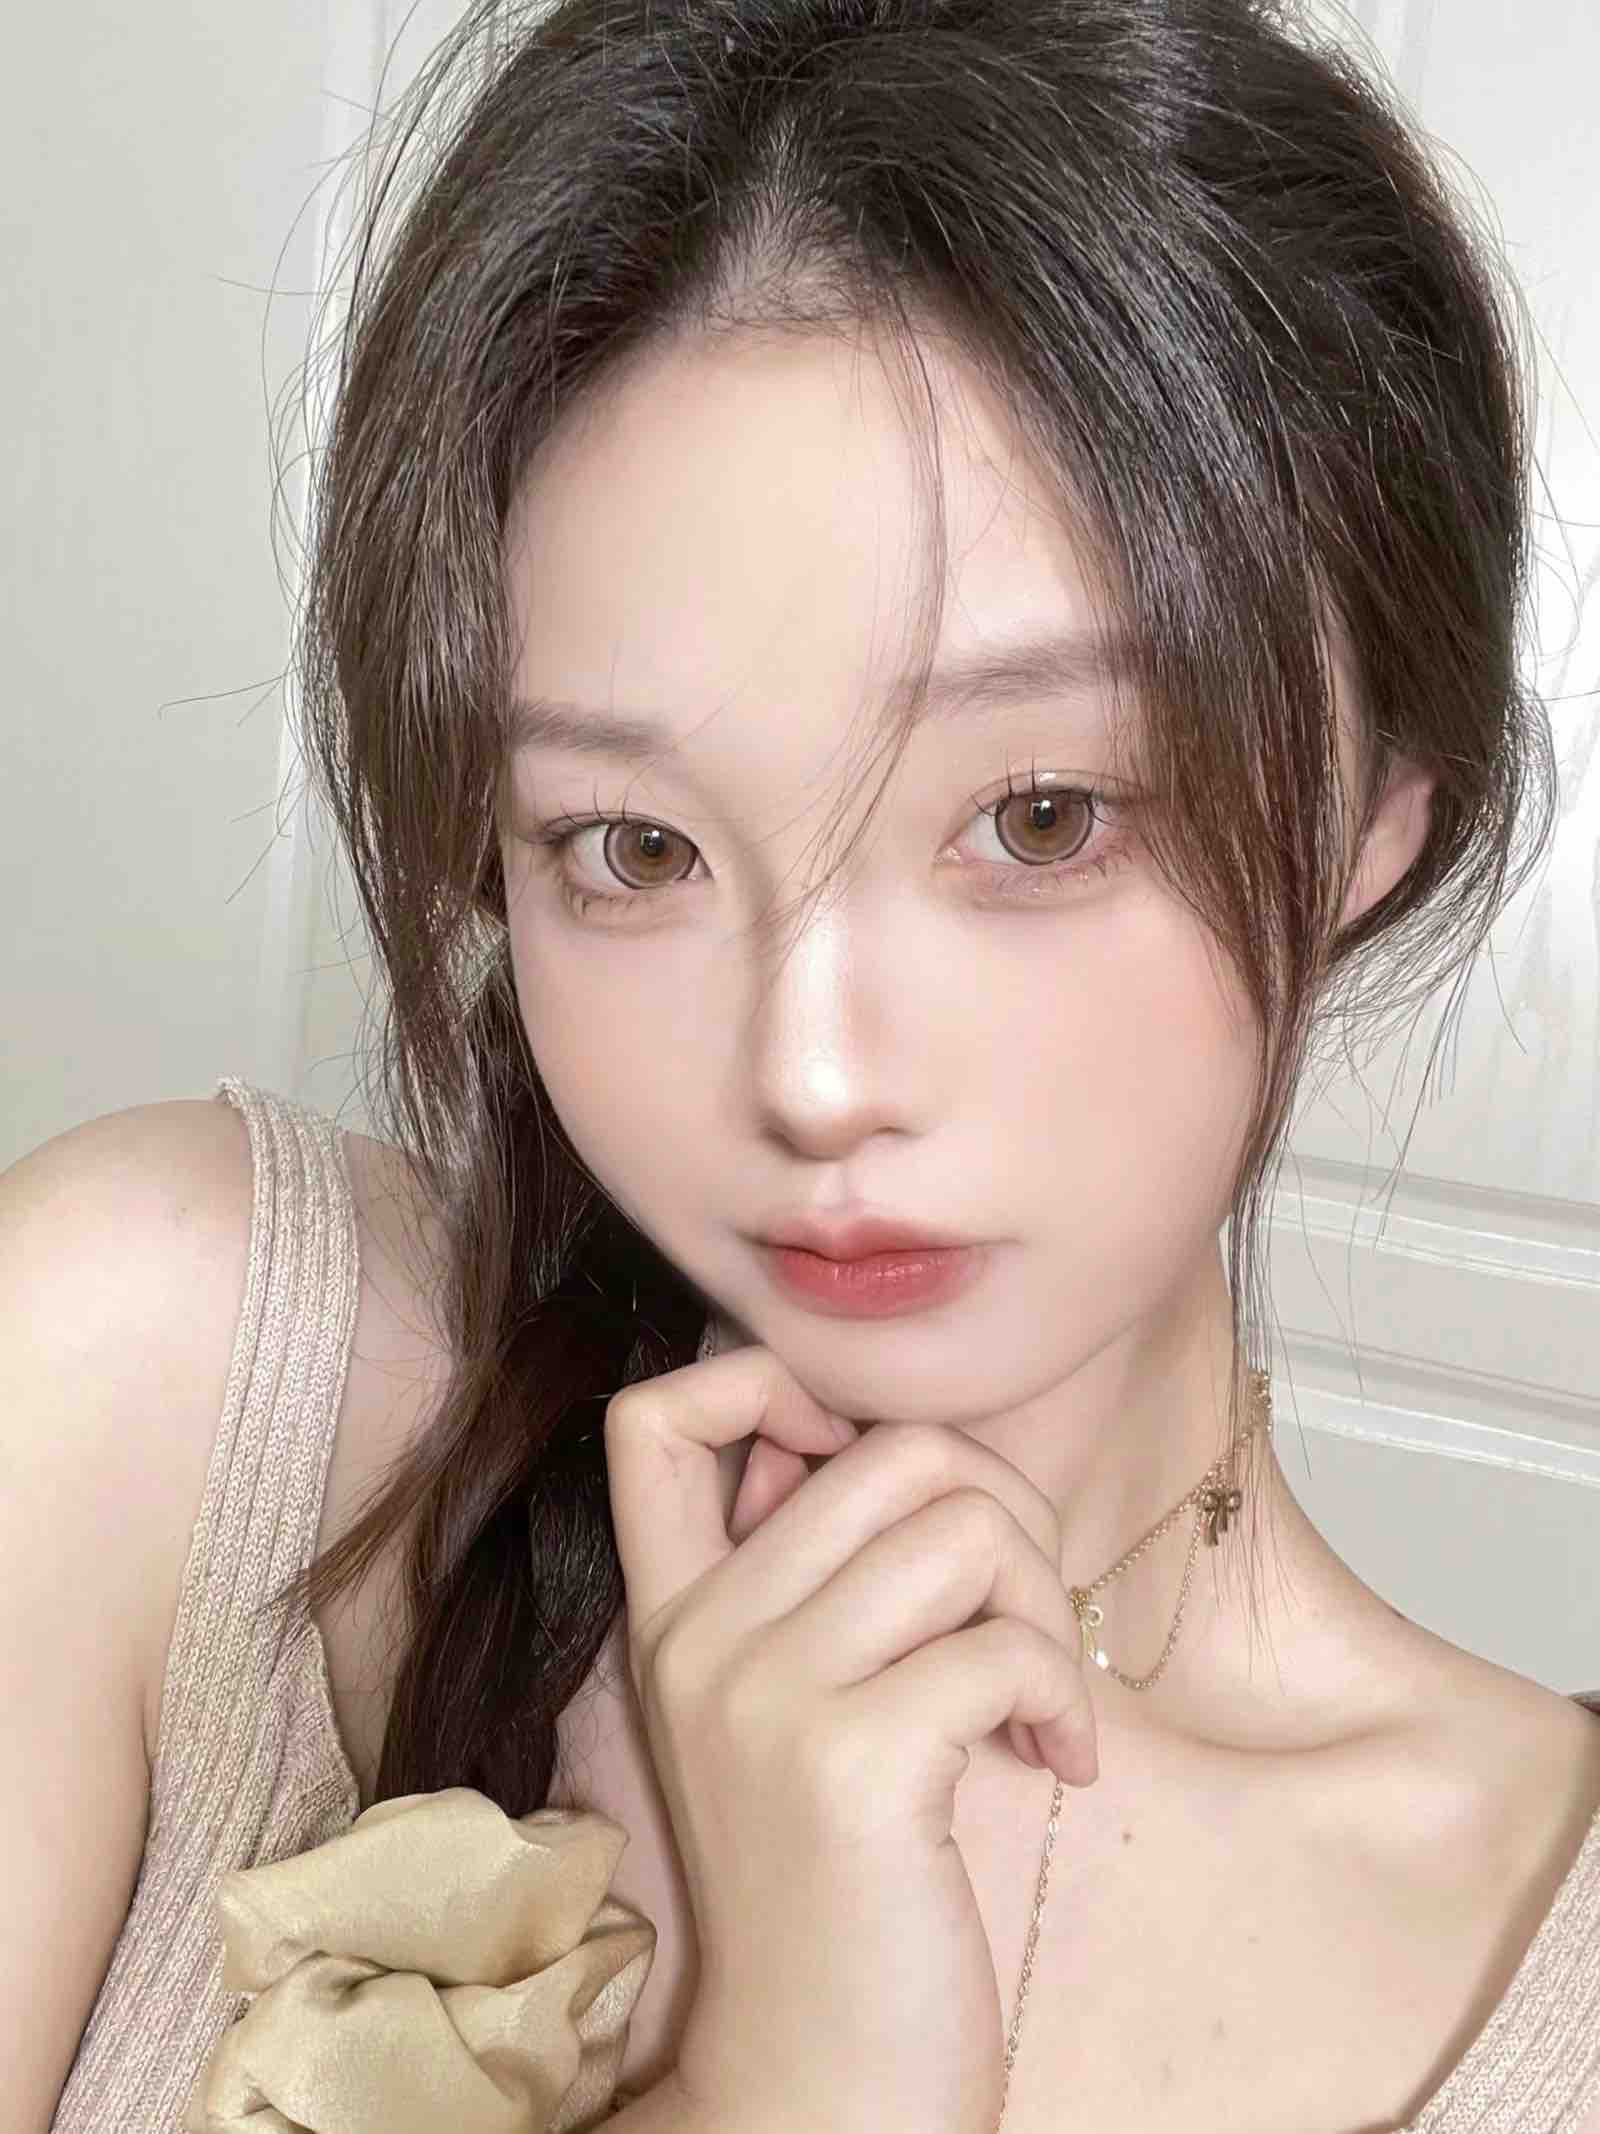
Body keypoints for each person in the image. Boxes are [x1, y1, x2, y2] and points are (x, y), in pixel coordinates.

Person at [6, 0, 1596, 2128]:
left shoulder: (1543, 1951)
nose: (812, 1071)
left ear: (1373, 808)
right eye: (634, 848)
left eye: (1040, 815)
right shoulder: (159, 1385)